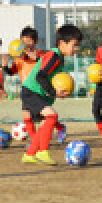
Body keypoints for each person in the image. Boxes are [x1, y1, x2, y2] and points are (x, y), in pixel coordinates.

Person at [20, 24, 82, 165]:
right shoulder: (54, 55)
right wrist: (54, 92)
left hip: (38, 93)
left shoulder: (59, 57)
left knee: (44, 124)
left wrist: (57, 92)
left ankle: (30, 154)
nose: (76, 49)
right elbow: (41, 76)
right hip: (32, 92)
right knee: (52, 116)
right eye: (74, 45)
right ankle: (43, 151)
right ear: (62, 43)